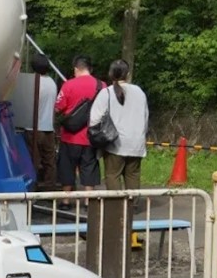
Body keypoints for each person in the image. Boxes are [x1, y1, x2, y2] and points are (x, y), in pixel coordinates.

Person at [90, 59, 149, 193]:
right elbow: (145, 118)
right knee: (133, 175)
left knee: (112, 175)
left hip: (115, 143)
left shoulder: (106, 93)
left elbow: (94, 120)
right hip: (136, 142)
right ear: (127, 73)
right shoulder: (139, 92)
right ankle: (131, 206)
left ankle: (116, 206)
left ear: (110, 74)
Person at [53, 55, 104, 204]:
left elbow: (58, 107)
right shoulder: (102, 86)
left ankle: (66, 200)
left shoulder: (68, 85)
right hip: (91, 136)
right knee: (89, 167)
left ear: (76, 68)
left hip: (70, 136)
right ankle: (88, 201)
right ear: (90, 68)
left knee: (67, 167)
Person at [24, 53, 58, 188]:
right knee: (49, 160)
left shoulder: (31, 82)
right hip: (48, 127)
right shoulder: (52, 83)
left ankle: (34, 185)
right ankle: (50, 185)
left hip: (33, 127)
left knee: (34, 159)